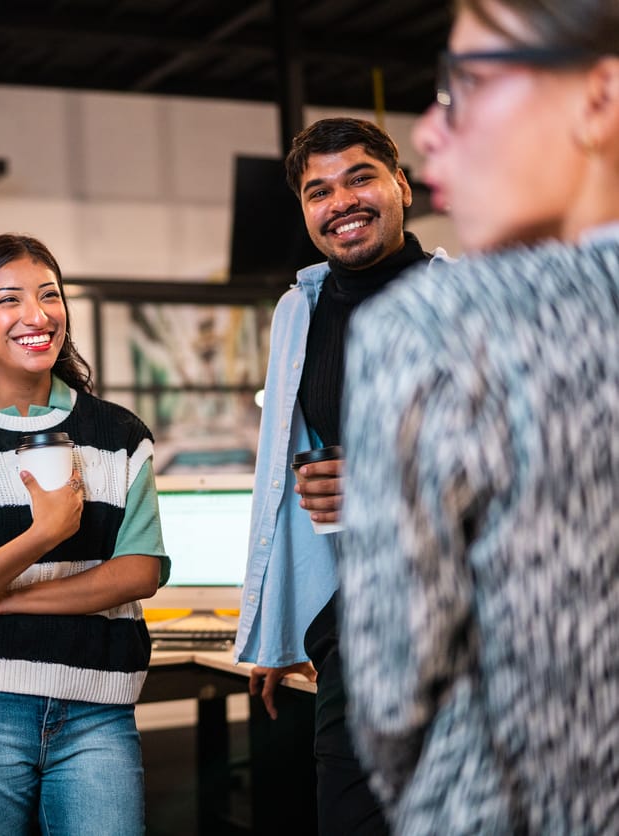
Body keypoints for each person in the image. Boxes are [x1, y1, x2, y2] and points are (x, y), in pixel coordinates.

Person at [338, 1, 619, 832]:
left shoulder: (438, 323)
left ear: (598, 98)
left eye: (462, 88)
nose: (429, 132)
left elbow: (392, 681)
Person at [0, 233, 170, 836]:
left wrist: (5, 598)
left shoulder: (119, 434)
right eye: (9, 300)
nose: (36, 316)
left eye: (49, 295)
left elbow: (138, 571)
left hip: (98, 709)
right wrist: (41, 536)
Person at [231, 117, 448, 835]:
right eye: (318, 190)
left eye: (360, 178)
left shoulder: (471, 301)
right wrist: (280, 621)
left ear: (401, 188)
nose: (341, 201)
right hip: (354, 624)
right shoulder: (299, 311)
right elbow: (284, 475)